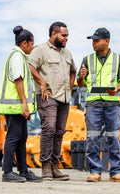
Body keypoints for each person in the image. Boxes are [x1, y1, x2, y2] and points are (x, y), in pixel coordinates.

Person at [77, 27, 120, 183]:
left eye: (96, 40)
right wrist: (81, 77)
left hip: (112, 103)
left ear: (106, 41)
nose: (93, 43)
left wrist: (116, 90)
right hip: (93, 104)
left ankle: (116, 173)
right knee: (92, 138)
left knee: (114, 137)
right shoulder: (87, 59)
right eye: (92, 40)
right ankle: (94, 172)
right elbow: (80, 84)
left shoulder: (118, 59)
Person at [29, 21, 77, 181]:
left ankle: (55, 166)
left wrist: (70, 86)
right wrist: (42, 82)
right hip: (47, 96)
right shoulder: (40, 50)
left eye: (67, 36)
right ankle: (46, 167)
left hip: (64, 97)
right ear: (53, 34)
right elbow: (31, 67)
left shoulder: (67, 53)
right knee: (48, 129)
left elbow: (73, 71)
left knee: (59, 132)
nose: (66, 38)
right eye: (63, 35)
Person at [0, 26, 43, 183]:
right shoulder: (16, 56)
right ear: (24, 43)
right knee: (13, 137)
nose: (32, 47)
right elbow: (18, 80)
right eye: (31, 44)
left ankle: (23, 171)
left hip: (20, 107)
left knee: (22, 137)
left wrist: (26, 107)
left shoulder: (22, 57)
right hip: (14, 106)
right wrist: (24, 104)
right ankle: (7, 173)